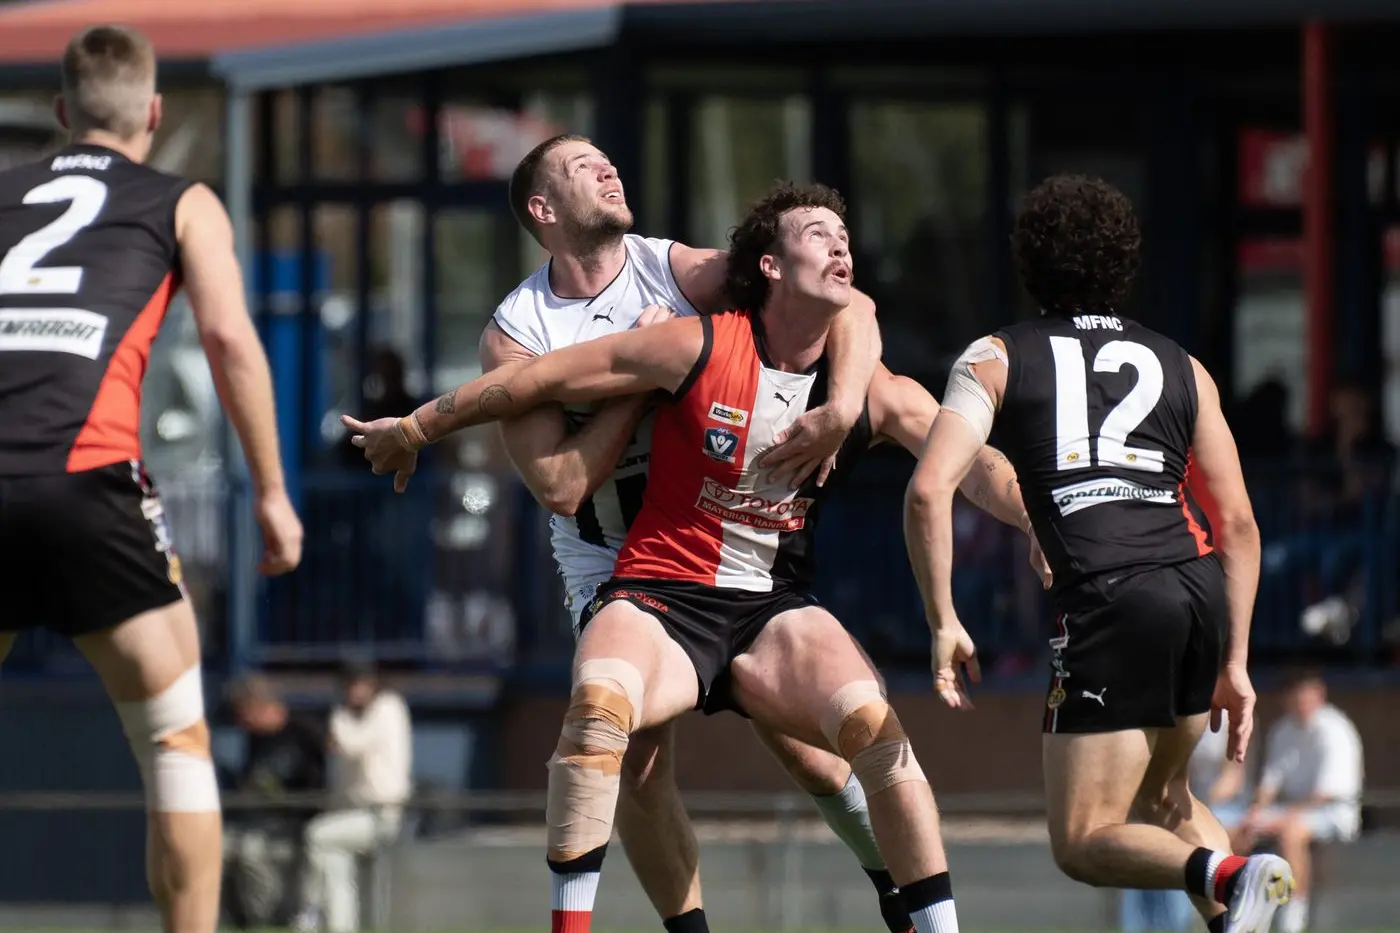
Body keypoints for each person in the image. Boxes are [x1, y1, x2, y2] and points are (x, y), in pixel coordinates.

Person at [346, 180, 1040, 933]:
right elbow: (532, 388)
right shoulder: (685, 335)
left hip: (769, 600)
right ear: (771, 266)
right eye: (818, 234)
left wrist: (1040, 522)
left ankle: (914, 912)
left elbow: (968, 458)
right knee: (608, 725)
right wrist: (414, 428)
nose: (841, 246)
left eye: (845, 236)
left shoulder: (864, 382)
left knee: (867, 737)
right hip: (648, 584)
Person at [478, 133, 912, 933]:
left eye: (608, 157)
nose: (608, 167)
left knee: (804, 738)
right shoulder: (518, 333)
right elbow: (563, 483)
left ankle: (900, 888)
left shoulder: (673, 269)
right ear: (543, 211)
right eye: (582, 167)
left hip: (722, 530)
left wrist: (846, 403)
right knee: (633, 754)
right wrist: (643, 374)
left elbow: (845, 302)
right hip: (613, 559)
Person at [902, 174, 1293, 933]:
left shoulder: (995, 355)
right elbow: (1238, 522)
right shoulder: (1184, 364)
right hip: (1198, 588)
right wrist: (1238, 661)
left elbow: (927, 490)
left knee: (1082, 839)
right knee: (1165, 803)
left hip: (1113, 599)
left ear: (1029, 263)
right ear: (1123, 262)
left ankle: (1236, 871)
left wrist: (943, 616)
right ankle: (1236, 892)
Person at [0, 25, 303, 933]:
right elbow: (226, 338)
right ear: (154, 113)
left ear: (61, 115)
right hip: (89, 482)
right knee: (175, 738)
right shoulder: (181, 199)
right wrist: (272, 494)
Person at [1232, 669, 1363, 933]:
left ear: (1319, 694)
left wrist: (1281, 817)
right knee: (1235, 831)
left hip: (1335, 812)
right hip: (1290, 810)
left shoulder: (1335, 729)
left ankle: (1293, 917)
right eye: (1294, 696)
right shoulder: (1283, 729)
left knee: (1292, 832)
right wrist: (1256, 812)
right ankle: (1234, 910)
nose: (1300, 702)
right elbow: (1270, 783)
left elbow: (1326, 794)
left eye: (1305, 695)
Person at [295, 662, 414, 933]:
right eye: (348, 685)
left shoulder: (387, 707)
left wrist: (337, 717)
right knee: (333, 858)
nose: (354, 691)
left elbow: (351, 744)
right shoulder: (356, 717)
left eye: (359, 684)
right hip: (356, 814)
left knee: (317, 835)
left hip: (383, 814)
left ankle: (309, 911)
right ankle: (341, 926)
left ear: (372, 684)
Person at [224, 675, 328, 928]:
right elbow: (249, 784)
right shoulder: (255, 739)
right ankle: (241, 922)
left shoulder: (305, 733)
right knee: (219, 848)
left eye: (244, 713)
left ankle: (266, 920)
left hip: (296, 821)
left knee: (251, 851)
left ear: (261, 706)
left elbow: (317, 787)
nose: (241, 722)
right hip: (257, 820)